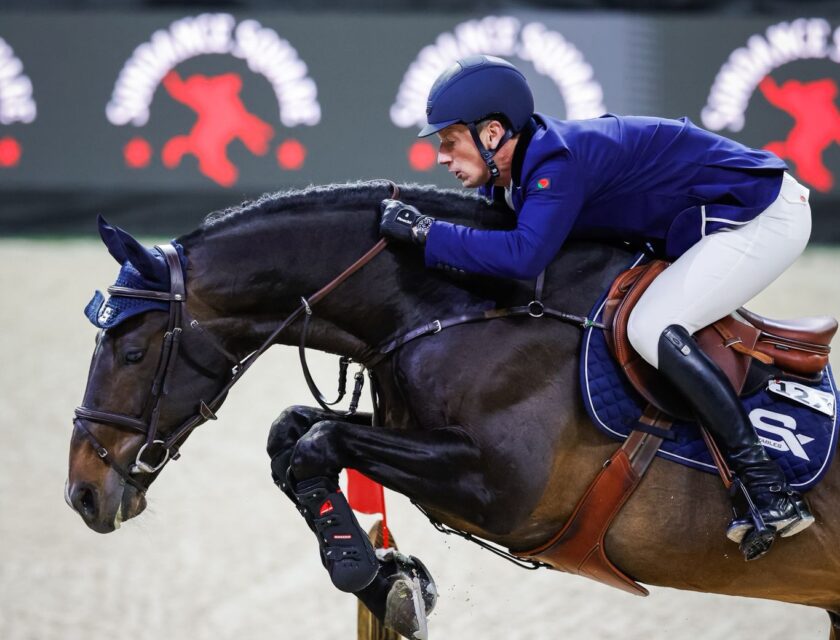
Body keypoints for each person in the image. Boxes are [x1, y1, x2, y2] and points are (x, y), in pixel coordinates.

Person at [379, 54, 815, 554]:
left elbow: (524, 256)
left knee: (651, 328)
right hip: (706, 218)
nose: (441, 157)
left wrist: (426, 233)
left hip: (762, 217)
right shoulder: (525, 172)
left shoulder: (554, 165)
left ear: (493, 133)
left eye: (449, 141)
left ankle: (766, 486)